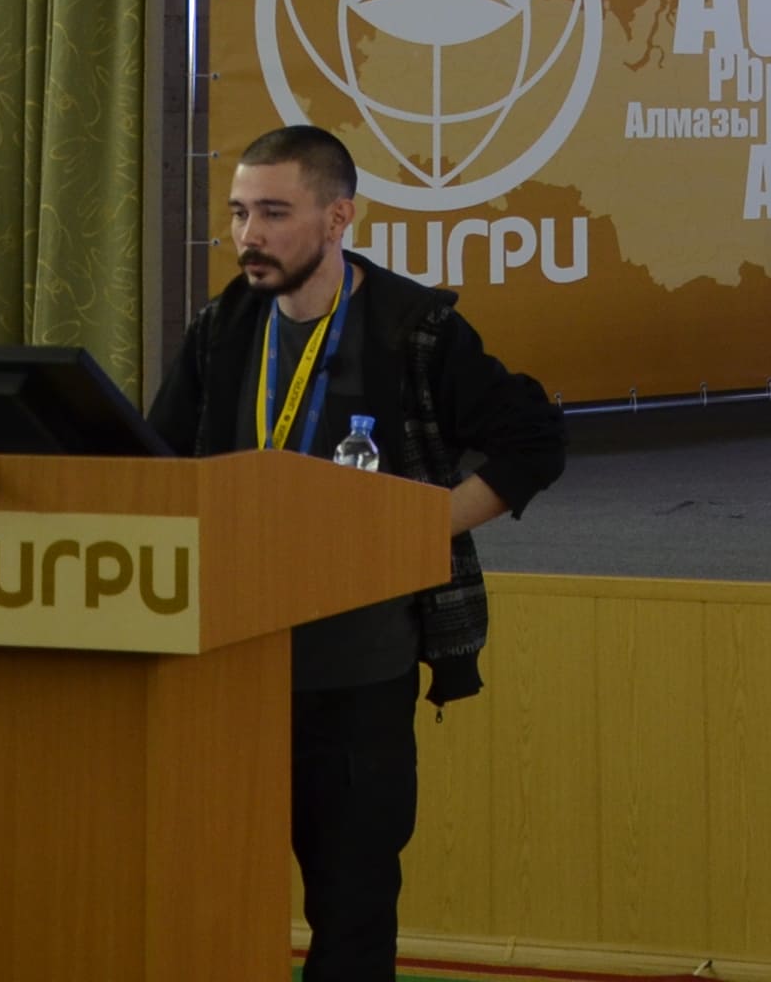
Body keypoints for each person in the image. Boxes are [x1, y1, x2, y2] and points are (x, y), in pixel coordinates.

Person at [150, 125, 567, 982]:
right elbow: (156, 463)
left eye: (274, 213)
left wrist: (412, 528)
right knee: (210, 892)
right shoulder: (223, 328)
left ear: (339, 217)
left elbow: (534, 441)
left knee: (351, 907)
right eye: (238, 213)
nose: (248, 236)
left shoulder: (413, 330)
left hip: (354, 670)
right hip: (225, 657)